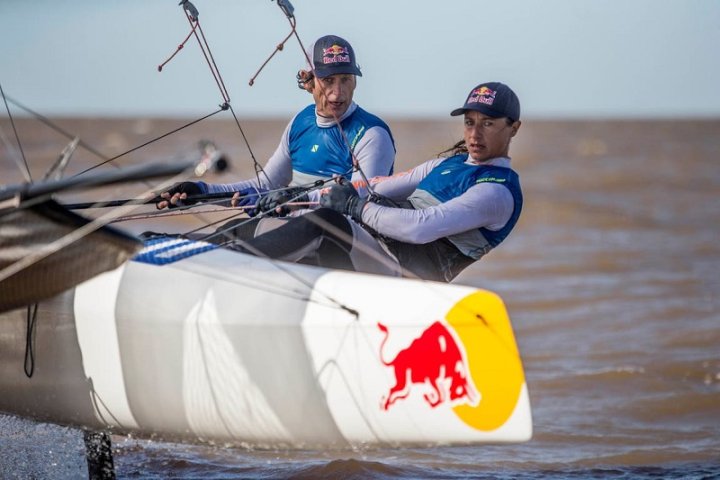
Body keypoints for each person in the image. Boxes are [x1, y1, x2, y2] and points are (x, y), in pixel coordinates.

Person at [231, 82, 524, 282]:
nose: (474, 135)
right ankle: (197, 252)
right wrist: (296, 197)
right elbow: (372, 188)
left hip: (405, 281)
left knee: (326, 222)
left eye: (488, 124)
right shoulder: (446, 164)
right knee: (269, 222)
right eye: (470, 122)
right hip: (373, 252)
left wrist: (354, 208)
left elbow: (422, 226)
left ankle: (231, 269)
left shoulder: (497, 192)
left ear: (514, 128)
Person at [156, 34, 396, 236]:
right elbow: (264, 186)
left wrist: (291, 198)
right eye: (328, 80)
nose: (337, 93)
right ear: (308, 82)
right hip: (295, 232)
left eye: (346, 79)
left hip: (345, 241)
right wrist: (202, 193)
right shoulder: (299, 123)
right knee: (225, 232)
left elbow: (355, 197)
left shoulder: (372, 134)